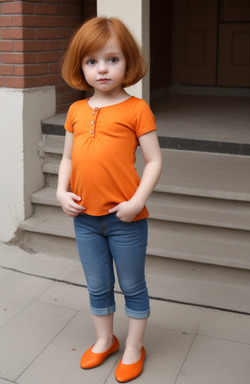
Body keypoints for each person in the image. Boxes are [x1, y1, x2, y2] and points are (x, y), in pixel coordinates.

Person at [57, 16, 162, 383]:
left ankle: (134, 346)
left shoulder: (137, 109)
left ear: (128, 63)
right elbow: (68, 158)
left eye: (112, 59)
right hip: (85, 218)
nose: (102, 68)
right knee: (97, 285)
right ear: (80, 66)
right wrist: (60, 191)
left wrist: (135, 202)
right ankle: (106, 340)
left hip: (126, 220)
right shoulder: (76, 110)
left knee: (132, 284)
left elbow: (154, 161)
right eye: (91, 61)